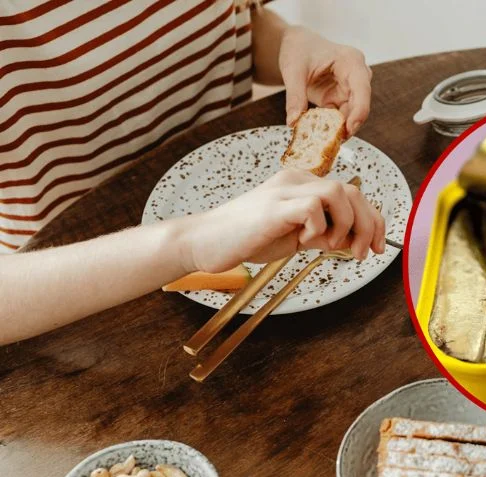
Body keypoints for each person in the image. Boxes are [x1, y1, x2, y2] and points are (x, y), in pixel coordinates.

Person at [0, 1, 383, 345]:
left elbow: (227, 25)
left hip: (258, 257)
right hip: (78, 316)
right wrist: (190, 242)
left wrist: (289, 42)